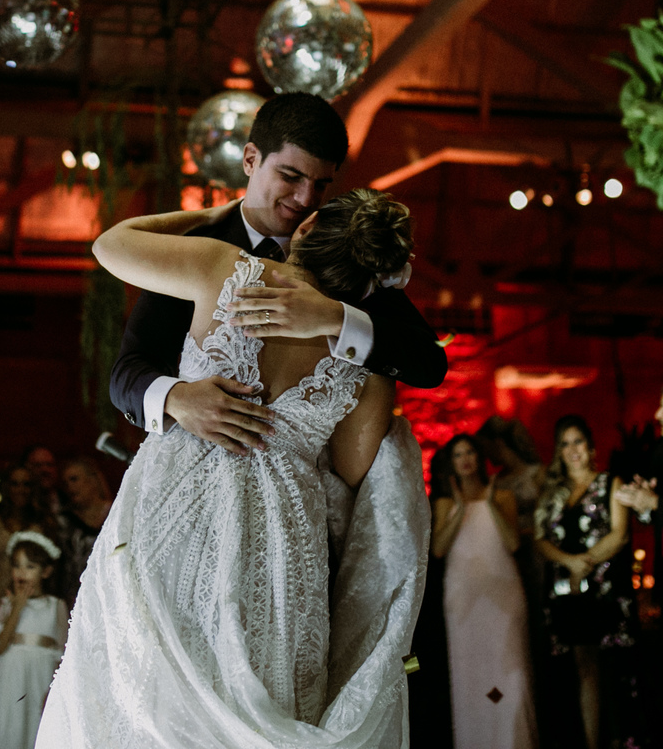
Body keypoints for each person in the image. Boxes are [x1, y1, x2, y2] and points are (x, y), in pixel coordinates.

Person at [38, 187, 430, 747]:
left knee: (145, 684)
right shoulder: (366, 365)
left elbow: (111, 245)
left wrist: (210, 215)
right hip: (281, 541)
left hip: (174, 507)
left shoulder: (227, 268)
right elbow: (351, 470)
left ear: (307, 227)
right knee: (265, 687)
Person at [109, 92, 446, 456]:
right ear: (251, 159)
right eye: (291, 176)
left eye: (321, 184)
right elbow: (128, 370)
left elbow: (429, 362)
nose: (306, 198)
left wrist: (335, 318)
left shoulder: (345, 251)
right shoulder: (199, 246)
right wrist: (175, 397)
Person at [535, 416, 635, 749]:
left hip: (606, 590)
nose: (572, 449)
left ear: (590, 446)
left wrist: (585, 563)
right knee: (581, 669)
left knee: (616, 667)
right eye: (565, 443)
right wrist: (570, 563)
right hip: (567, 592)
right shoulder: (553, 491)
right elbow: (539, 538)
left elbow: (620, 534)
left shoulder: (610, 483)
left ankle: (623, 738)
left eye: (577, 441)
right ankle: (590, 742)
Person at [430, 434, 536, 749]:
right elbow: (438, 549)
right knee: (471, 677)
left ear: (479, 457)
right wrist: (461, 507)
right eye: (458, 454)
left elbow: (514, 544)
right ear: (452, 463)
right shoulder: (445, 503)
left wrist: (490, 505)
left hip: (503, 594)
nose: (465, 459)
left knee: (511, 675)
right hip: (464, 598)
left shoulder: (503, 496)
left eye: (470, 452)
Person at [0, 466, 56, 749]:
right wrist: (3, 604)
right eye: (14, 483)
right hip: (2, 604)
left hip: (37, 639)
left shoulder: (42, 523)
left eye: (26, 484)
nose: (20, 490)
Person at [0, 533, 68, 749]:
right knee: (11, 726)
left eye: (30, 566)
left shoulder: (55, 606)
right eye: (16, 566)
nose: (21, 572)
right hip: (11, 676)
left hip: (40, 676)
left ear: (46, 571)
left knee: (34, 726)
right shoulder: (8, 604)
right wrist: (17, 607)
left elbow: (63, 652)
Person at [56, 457, 113, 605]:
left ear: (92, 479)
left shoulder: (115, 514)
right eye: (65, 483)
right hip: (73, 601)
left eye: (74, 479)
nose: (69, 486)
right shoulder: (63, 520)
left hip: (110, 595)